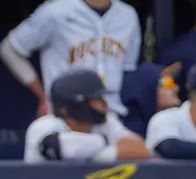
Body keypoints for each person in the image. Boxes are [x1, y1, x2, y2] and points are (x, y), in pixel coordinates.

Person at [0, 0, 143, 119]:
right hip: (66, 115)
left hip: (111, 115)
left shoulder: (128, 16)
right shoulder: (56, 12)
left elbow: (127, 69)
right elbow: (10, 48)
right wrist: (42, 94)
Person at [22, 68, 152, 163]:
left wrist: (96, 149)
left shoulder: (105, 121)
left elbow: (141, 152)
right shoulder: (43, 127)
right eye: (96, 99)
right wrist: (105, 142)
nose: (105, 104)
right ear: (74, 103)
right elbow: (56, 147)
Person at [118, 61, 181, 137]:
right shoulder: (127, 135)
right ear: (146, 90)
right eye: (167, 83)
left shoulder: (171, 125)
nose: (176, 88)